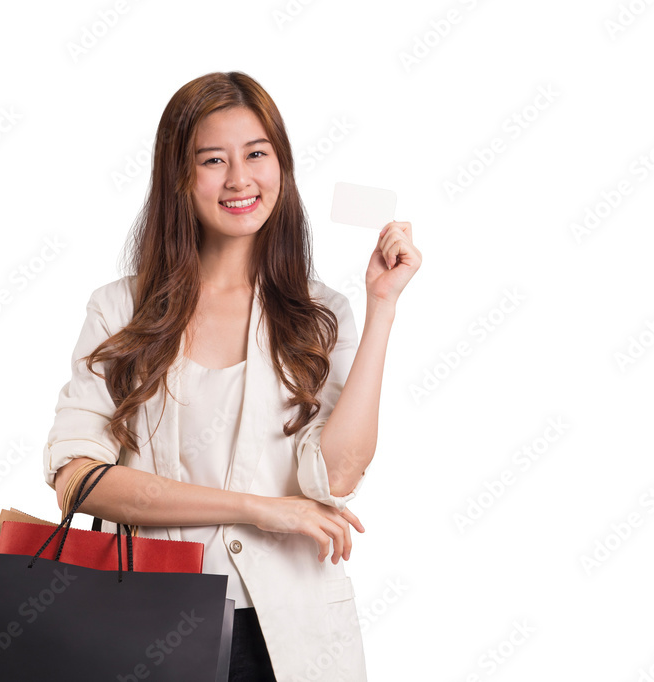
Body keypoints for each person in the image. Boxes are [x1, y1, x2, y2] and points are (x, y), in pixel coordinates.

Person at [42, 71, 420, 681]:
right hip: (146, 625)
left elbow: (339, 475)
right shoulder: (119, 310)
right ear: (179, 177)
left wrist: (382, 306)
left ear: (282, 167)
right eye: (213, 160)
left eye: (257, 154)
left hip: (289, 635)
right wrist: (259, 509)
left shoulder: (320, 315)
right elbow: (77, 483)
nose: (240, 179)